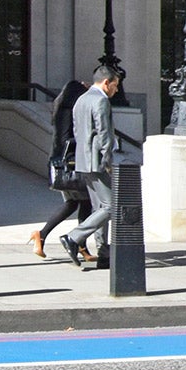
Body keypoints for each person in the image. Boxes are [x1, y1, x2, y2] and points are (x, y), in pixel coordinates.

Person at [60, 61, 123, 270]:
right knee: (111, 206)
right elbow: (104, 133)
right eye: (115, 85)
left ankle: (103, 253)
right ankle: (73, 237)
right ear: (107, 83)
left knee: (99, 208)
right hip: (98, 161)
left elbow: (78, 132)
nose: (116, 90)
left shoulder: (81, 100)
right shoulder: (101, 101)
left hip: (84, 160)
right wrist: (108, 160)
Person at [29, 79, 90, 260]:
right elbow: (72, 139)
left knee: (77, 202)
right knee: (82, 201)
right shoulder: (70, 114)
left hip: (61, 161)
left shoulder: (60, 110)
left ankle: (47, 236)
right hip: (70, 163)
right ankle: (76, 243)